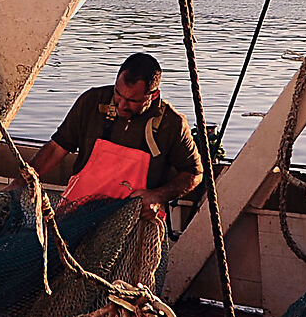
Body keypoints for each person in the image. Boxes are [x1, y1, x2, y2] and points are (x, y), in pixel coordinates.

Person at [28, 52, 202, 210]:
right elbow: (57, 148)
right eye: (118, 94)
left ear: (153, 95)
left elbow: (194, 173)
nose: (122, 105)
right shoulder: (92, 101)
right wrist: (24, 181)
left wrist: (156, 196)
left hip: (136, 219)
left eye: (132, 100)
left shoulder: (172, 124)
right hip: (77, 211)